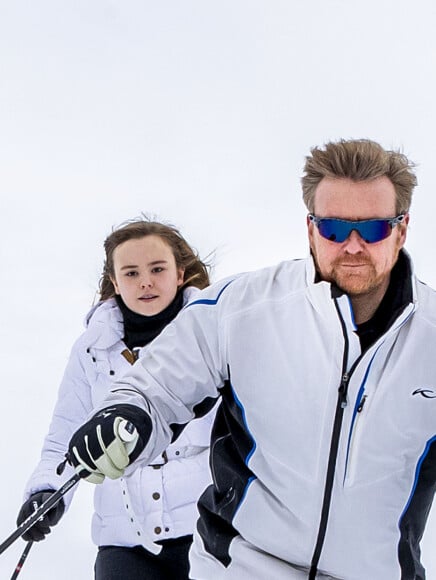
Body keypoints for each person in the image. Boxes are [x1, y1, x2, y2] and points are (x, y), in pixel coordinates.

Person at [67, 139, 436, 580]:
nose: (352, 246)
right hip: (243, 567)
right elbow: (156, 386)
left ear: (401, 229)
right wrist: (125, 414)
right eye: (334, 229)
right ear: (310, 228)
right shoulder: (243, 308)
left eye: (373, 229)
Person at [17, 218, 214, 579]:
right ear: (114, 283)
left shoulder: (214, 334)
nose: (146, 282)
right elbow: (66, 430)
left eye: (157, 269)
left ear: (180, 273)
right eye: (131, 272)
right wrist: (47, 491)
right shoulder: (91, 350)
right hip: (125, 541)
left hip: (207, 533)